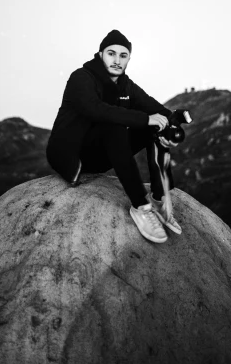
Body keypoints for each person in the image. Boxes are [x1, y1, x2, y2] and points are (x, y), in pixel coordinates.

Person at [46, 29, 182, 244]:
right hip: (73, 153)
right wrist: (146, 119)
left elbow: (153, 107)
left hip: (102, 151)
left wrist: (172, 126)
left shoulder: (125, 85)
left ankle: (158, 198)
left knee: (155, 128)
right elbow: (96, 110)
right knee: (116, 124)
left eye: (123, 55)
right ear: (100, 55)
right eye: (111, 53)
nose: (117, 60)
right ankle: (140, 207)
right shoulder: (81, 77)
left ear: (128, 59)